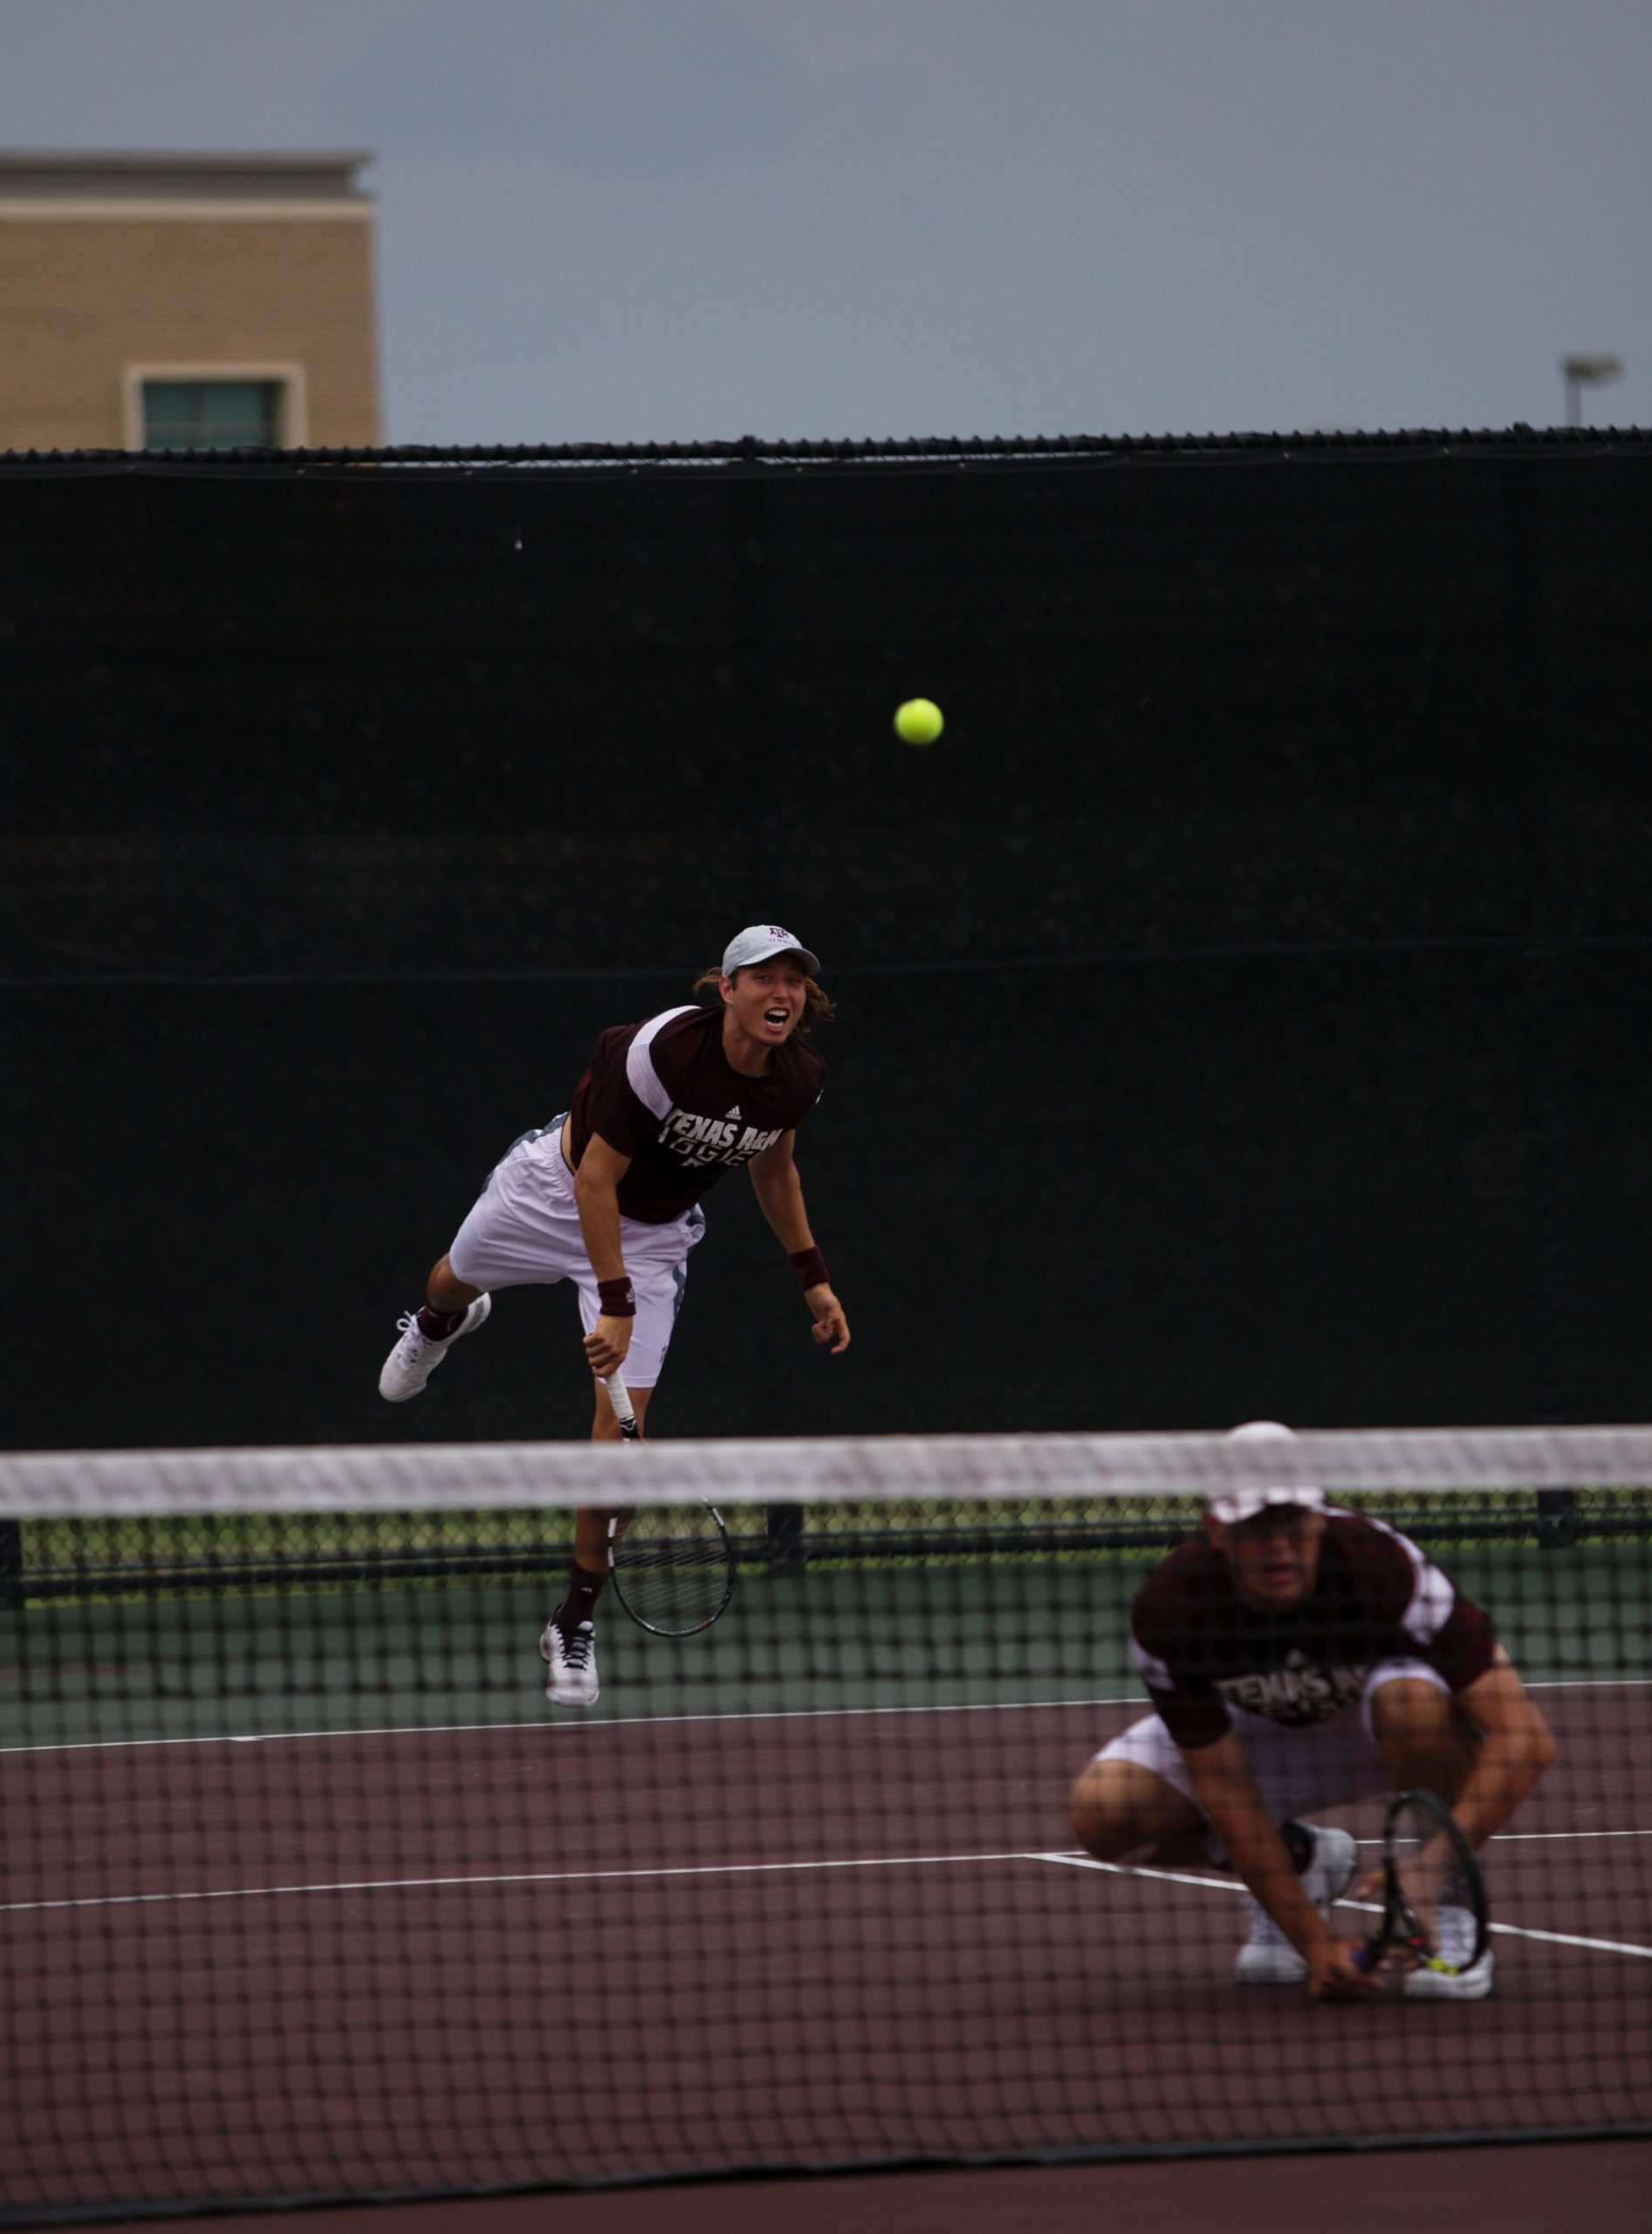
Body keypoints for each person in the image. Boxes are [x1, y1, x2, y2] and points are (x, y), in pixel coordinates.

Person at [377, 926, 851, 1707]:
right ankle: (437, 1326)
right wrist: (614, 1303)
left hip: (655, 1238)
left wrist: (814, 1278)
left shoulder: (798, 1077)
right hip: (553, 1191)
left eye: (794, 981)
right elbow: (597, 1182)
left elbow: (774, 1168)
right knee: (449, 1279)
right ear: (724, 989)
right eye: (762, 978)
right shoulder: (659, 1053)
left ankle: (574, 1618)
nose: (781, 993)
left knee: (618, 1450)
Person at [1069, 1422, 1556, 2002]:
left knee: (1414, 1702)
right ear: (1215, 1530)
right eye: (1255, 1526)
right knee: (1105, 1814)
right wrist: (1314, 1943)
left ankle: (1444, 1903)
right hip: (1255, 1740)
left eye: (1292, 1520)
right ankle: (1306, 1860)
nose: (1278, 1545)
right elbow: (1222, 1789)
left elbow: (1524, 1737)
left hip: (1382, 1726)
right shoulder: (1172, 1608)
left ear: (1319, 1515)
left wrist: (1432, 1860)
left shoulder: (1380, 1565)